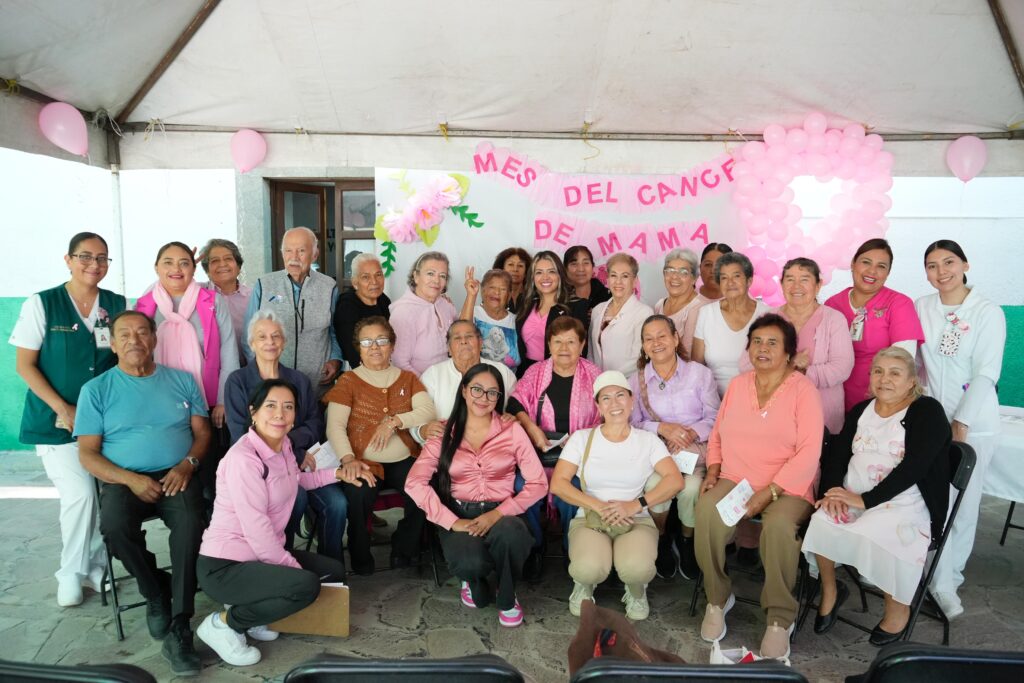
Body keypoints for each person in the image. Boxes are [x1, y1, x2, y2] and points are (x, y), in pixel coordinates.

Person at [196, 378, 373, 666]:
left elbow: (296, 480)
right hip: (226, 566)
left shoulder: (284, 446)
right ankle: (225, 624)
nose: (280, 414)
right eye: (271, 406)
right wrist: (293, 571)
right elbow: (257, 530)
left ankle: (254, 612)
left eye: (288, 407)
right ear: (253, 411)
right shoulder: (243, 459)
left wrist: (337, 474)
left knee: (333, 571)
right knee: (304, 585)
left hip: (257, 559)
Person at [75, 311, 209, 676]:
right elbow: (87, 453)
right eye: (124, 334)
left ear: (154, 339)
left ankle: (180, 625)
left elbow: (202, 433)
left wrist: (188, 465)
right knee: (114, 527)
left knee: (191, 524)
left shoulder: (181, 380)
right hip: (124, 478)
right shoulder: (96, 390)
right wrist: (130, 480)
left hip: (177, 474)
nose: (134, 340)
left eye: (141, 332)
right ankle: (155, 590)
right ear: (112, 343)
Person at [694, 314, 824, 659]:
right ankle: (717, 597)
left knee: (779, 526)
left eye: (772, 343)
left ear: (788, 352)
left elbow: (809, 453)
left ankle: (780, 617)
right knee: (706, 510)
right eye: (757, 342)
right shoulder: (739, 385)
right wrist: (713, 470)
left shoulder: (804, 391)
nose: (762, 348)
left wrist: (768, 493)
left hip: (788, 485)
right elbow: (718, 434)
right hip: (736, 478)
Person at [803, 347, 951, 645]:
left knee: (880, 532)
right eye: (878, 372)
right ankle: (831, 590)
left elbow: (916, 467)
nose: (885, 379)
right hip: (852, 495)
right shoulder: (862, 410)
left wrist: (866, 501)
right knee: (821, 520)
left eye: (895, 373)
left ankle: (897, 609)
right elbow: (837, 455)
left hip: (905, 502)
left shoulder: (927, 411)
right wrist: (833, 492)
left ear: (912, 381)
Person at [10, 232, 126, 607]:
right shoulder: (43, 303)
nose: (94, 264)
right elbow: (25, 365)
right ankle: (71, 573)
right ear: (68, 259)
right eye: (85, 256)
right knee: (80, 495)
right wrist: (62, 408)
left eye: (102, 258)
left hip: (103, 422)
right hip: (55, 423)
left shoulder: (115, 304)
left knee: (101, 495)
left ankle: (96, 568)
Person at [406, 364, 546, 628]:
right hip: (461, 512)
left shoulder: (511, 430)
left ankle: (507, 594)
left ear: (499, 397)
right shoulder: (444, 432)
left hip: (502, 511)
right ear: (464, 391)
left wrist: (498, 513)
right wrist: (451, 521)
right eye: (477, 390)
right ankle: (473, 580)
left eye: (492, 393)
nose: (484, 398)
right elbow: (414, 483)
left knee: (513, 535)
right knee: (470, 563)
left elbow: (538, 483)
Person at [914, 240, 1006, 620]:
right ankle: (930, 574)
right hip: (933, 421)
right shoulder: (922, 307)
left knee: (963, 505)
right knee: (931, 500)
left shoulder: (987, 312)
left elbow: (987, 372)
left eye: (949, 262)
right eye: (932, 265)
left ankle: (949, 581)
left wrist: (961, 422)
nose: (942, 272)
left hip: (974, 424)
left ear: (965, 264)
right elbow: (916, 362)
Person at [550, 371, 685, 620]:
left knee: (637, 568)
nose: (614, 403)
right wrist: (598, 506)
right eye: (606, 398)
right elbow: (558, 484)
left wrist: (635, 505)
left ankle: (636, 591)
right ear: (598, 406)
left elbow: (674, 480)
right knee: (587, 568)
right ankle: (583, 586)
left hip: (635, 519)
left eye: (620, 395)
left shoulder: (647, 441)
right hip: (590, 518)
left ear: (632, 401)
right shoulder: (582, 438)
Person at [225, 311, 349, 563]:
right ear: (251, 344)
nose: (269, 342)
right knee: (295, 499)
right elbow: (241, 434)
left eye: (276, 336)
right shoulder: (238, 381)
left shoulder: (298, 380)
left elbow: (314, 423)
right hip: (263, 471)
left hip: (303, 463)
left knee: (337, 503)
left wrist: (291, 445)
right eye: (262, 337)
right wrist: (290, 450)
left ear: (284, 342)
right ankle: (283, 563)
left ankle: (331, 570)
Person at [323, 317, 436, 574]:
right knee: (358, 494)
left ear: (392, 346)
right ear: (359, 348)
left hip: (402, 459)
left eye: (381, 340)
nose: (374, 347)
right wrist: (348, 459)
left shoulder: (407, 379)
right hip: (363, 461)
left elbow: (427, 411)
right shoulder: (348, 381)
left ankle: (404, 549)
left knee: (422, 488)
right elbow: (335, 426)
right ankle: (360, 556)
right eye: (367, 342)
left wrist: (394, 421)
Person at [508, 316, 602, 575]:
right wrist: (532, 429)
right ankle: (535, 547)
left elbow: (607, 417)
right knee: (522, 486)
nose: (564, 348)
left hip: (579, 460)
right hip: (539, 455)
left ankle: (571, 548)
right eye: (557, 341)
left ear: (582, 345)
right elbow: (515, 402)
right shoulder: (536, 372)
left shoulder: (595, 375)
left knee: (574, 491)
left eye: (571, 342)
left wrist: (580, 440)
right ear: (548, 345)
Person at [630, 315, 719, 580]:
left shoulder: (700, 374)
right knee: (655, 485)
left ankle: (686, 540)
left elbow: (714, 417)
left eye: (662, 336)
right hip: (657, 456)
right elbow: (633, 424)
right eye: (649, 339)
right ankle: (662, 538)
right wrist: (662, 428)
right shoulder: (636, 381)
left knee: (691, 489)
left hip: (693, 453)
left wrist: (689, 433)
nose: (656, 343)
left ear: (675, 338)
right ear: (643, 346)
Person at [739, 258, 854, 435]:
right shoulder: (767, 317)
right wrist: (792, 365)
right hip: (773, 417)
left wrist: (802, 372)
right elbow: (746, 364)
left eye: (805, 279)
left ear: (818, 285)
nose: (796, 286)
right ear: (782, 284)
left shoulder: (834, 319)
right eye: (790, 279)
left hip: (821, 415)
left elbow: (841, 368)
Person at [135, 241, 239, 431]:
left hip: (206, 400)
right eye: (168, 262)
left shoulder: (212, 301)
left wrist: (223, 400)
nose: (176, 269)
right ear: (156, 267)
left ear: (194, 268)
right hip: (156, 400)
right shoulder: (145, 305)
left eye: (184, 263)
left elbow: (228, 351)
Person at [825, 238, 924, 411]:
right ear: (853, 264)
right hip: (835, 397)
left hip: (883, 398)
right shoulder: (832, 304)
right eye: (866, 262)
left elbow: (902, 362)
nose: (872, 271)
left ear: (888, 273)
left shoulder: (899, 304)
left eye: (881, 266)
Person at [243, 227, 343, 393]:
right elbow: (249, 334)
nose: (294, 257)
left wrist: (335, 359)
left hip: (317, 383)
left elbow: (333, 331)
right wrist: (259, 373)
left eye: (301, 251)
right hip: (272, 384)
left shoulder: (329, 287)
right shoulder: (264, 284)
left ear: (315, 254)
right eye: (288, 250)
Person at [415, 320, 518, 443]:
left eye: (469, 336)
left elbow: (519, 410)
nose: (463, 341)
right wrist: (423, 431)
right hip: (446, 448)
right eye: (457, 338)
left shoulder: (503, 372)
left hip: (493, 446)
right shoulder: (433, 375)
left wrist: (513, 417)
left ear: (480, 343)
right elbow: (415, 419)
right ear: (449, 348)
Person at [691, 252, 769, 397]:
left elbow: (775, 364)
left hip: (756, 396)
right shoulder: (706, 313)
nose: (730, 282)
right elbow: (697, 366)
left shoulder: (767, 314)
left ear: (749, 281)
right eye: (724, 278)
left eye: (736, 276)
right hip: (714, 397)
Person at [515, 250, 589, 377]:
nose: (545, 277)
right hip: (525, 373)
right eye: (539, 272)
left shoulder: (576, 306)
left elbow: (582, 349)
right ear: (532, 277)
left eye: (551, 271)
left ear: (560, 275)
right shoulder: (524, 302)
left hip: (559, 374)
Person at [389, 251, 457, 375]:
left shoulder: (446, 305)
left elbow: (461, 336)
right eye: (430, 273)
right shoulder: (403, 313)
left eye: (442, 276)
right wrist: (426, 384)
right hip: (420, 384)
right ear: (416, 276)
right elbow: (399, 362)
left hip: (450, 378)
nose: (436, 280)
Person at [589, 252, 654, 377]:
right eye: (613, 275)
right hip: (597, 382)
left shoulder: (644, 313)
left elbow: (640, 356)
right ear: (608, 280)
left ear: (634, 281)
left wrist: (611, 380)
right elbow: (591, 351)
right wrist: (595, 377)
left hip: (627, 382)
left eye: (625, 276)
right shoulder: (597, 310)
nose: (618, 281)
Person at [333, 252, 390, 370]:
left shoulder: (383, 300)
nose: (374, 281)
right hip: (358, 369)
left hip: (382, 365)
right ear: (355, 282)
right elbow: (352, 352)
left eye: (378, 274)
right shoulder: (347, 306)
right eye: (366, 277)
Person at [197, 238, 252, 362]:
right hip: (206, 369)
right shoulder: (196, 293)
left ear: (238, 266)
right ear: (207, 270)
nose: (222, 264)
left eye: (228, 259)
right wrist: (187, 264)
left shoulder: (254, 297)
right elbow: (164, 288)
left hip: (247, 367)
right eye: (215, 261)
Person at [460, 268, 521, 372]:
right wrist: (471, 295)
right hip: (476, 376)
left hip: (508, 379)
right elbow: (462, 332)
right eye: (492, 287)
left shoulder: (517, 321)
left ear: (509, 295)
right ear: (483, 290)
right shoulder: (472, 312)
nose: (497, 292)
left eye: (503, 289)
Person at [654, 248, 706, 358]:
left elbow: (688, 356)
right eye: (670, 270)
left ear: (694, 278)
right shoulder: (659, 305)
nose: (674, 277)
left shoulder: (698, 308)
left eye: (683, 272)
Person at [564, 245, 611, 318]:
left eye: (586, 263)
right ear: (565, 269)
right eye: (574, 264)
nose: (581, 269)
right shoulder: (559, 299)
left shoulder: (608, 297)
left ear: (592, 267)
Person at [493, 247, 531, 313]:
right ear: (502, 269)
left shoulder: (533, 296)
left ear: (526, 271)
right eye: (510, 264)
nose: (515, 269)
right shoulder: (493, 295)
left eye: (520, 265)